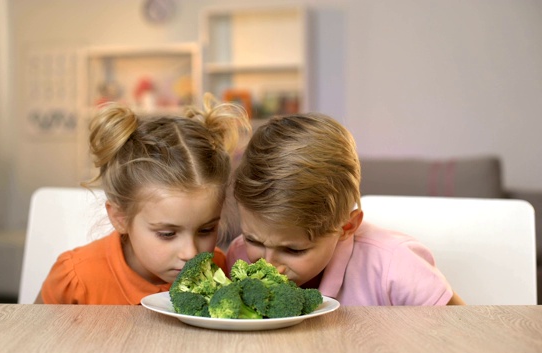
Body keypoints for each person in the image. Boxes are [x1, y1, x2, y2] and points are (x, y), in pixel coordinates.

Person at [226, 113, 465, 306]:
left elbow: (465, 329)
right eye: (253, 240)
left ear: (347, 227)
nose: (268, 265)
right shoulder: (239, 257)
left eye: (293, 249)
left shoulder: (394, 266)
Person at [35, 94, 250, 304]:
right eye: (167, 234)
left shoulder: (220, 269)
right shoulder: (76, 280)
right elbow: (32, 336)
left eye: (206, 230)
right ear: (120, 218)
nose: (191, 253)